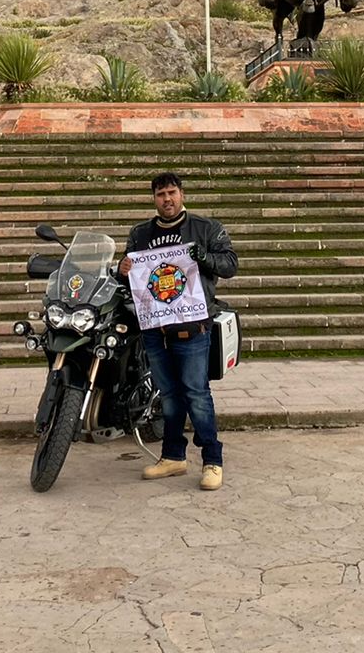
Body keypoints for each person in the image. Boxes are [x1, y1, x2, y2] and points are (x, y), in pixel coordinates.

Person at [117, 171, 237, 490]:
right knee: (168, 396)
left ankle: (212, 460)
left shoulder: (206, 228)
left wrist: (205, 257)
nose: (167, 199)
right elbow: (128, 278)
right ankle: (173, 456)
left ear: (182, 194)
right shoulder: (140, 234)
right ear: (153, 199)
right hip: (156, 330)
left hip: (193, 327)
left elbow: (230, 265)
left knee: (196, 394)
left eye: (171, 192)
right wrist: (122, 269)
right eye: (160, 195)